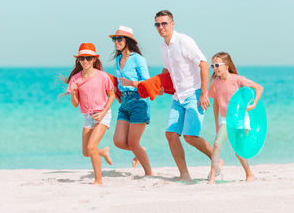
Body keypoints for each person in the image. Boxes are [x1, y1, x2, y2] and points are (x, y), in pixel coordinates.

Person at [154, 10, 216, 181]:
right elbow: (167, 69)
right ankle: (184, 174)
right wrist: (161, 84)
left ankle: (217, 160)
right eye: (158, 24)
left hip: (194, 93)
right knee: (171, 135)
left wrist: (204, 93)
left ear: (172, 24)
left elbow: (203, 65)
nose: (161, 27)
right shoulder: (163, 47)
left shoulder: (184, 41)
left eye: (164, 23)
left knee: (190, 137)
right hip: (178, 97)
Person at [208, 52, 263, 184]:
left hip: (240, 120)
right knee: (216, 145)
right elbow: (215, 103)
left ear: (226, 65)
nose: (215, 68)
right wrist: (216, 123)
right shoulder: (215, 83)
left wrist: (254, 104)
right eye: (212, 66)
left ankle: (249, 174)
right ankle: (212, 178)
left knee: (239, 151)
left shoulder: (237, 79)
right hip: (225, 120)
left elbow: (259, 88)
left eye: (217, 65)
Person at [66, 43, 115, 185]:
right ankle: (103, 152)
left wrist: (103, 113)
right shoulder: (75, 79)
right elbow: (75, 104)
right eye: (82, 58)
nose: (85, 61)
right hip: (87, 116)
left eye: (88, 58)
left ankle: (98, 180)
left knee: (91, 147)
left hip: (103, 114)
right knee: (86, 152)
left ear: (94, 59)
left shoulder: (103, 76)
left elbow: (111, 95)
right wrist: (74, 92)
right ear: (79, 60)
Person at [109, 26, 153, 176]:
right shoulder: (118, 59)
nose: (116, 42)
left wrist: (132, 83)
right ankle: (140, 150)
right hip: (125, 102)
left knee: (133, 142)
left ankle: (149, 173)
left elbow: (147, 83)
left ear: (127, 41)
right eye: (115, 39)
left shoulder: (138, 59)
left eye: (119, 39)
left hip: (139, 101)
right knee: (118, 141)